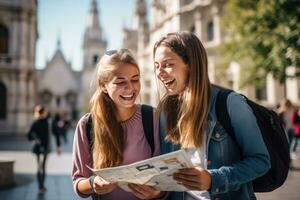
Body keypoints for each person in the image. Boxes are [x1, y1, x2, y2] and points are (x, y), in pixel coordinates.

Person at [153, 32, 270, 200]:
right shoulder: (165, 110)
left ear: (191, 64)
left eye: (168, 64)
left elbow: (260, 161)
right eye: (157, 66)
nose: (159, 73)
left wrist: (213, 179)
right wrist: (157, 192)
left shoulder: (230, 103)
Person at [72, 49, 164, 200]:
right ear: (103, 86)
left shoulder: (153, 117)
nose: (130, 88)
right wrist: (93, 183)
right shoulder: (87, 124)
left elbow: (165, 180)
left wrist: (156, 193)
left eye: (135, 79)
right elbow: (78, 182)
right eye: (120, 82)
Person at [27, 105, 59, 193]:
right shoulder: (48, 122)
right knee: (43, 166)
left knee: (38, 167)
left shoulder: (35, 122)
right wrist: (58, 146)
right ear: (44, 112)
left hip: (37, 147)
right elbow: (56, 133)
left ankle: (40, 186)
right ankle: (42, 186)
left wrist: (34, 140)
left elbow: (29, 135)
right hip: (45, 147)